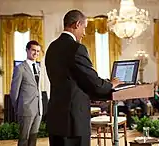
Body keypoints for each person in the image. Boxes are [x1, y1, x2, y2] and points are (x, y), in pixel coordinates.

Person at [45, 10, 123, 146]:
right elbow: (92, 82)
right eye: (84, 28)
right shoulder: (76, 48)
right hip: (73, 121)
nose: (84, 33)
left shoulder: (52, 47)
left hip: (56, 119)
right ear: (77, 24)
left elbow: (71, 79)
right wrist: (111, 84)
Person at [10, 40, 42, 146]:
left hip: (38, 110)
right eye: (33, 50)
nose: (36, 53)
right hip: (25, 110)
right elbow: (14, 92)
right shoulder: (20, 69)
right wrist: (19, 108)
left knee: (33, 139)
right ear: (27, 50)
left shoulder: (38, 68)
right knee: (23, 140)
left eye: (38, 51)